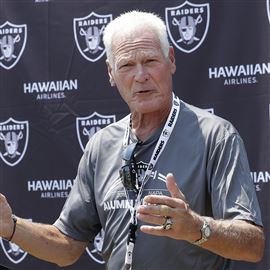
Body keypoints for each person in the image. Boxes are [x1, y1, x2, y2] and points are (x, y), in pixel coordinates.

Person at [0, 10, 265, 270]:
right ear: (111, 73)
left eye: (150, 61)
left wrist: (197, 228)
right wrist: (10, 226)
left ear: (170, 59)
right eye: (126, 65)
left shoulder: (215, 136)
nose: (140, 76)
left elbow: (252, 244)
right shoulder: (101, 145)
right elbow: (67, 246)